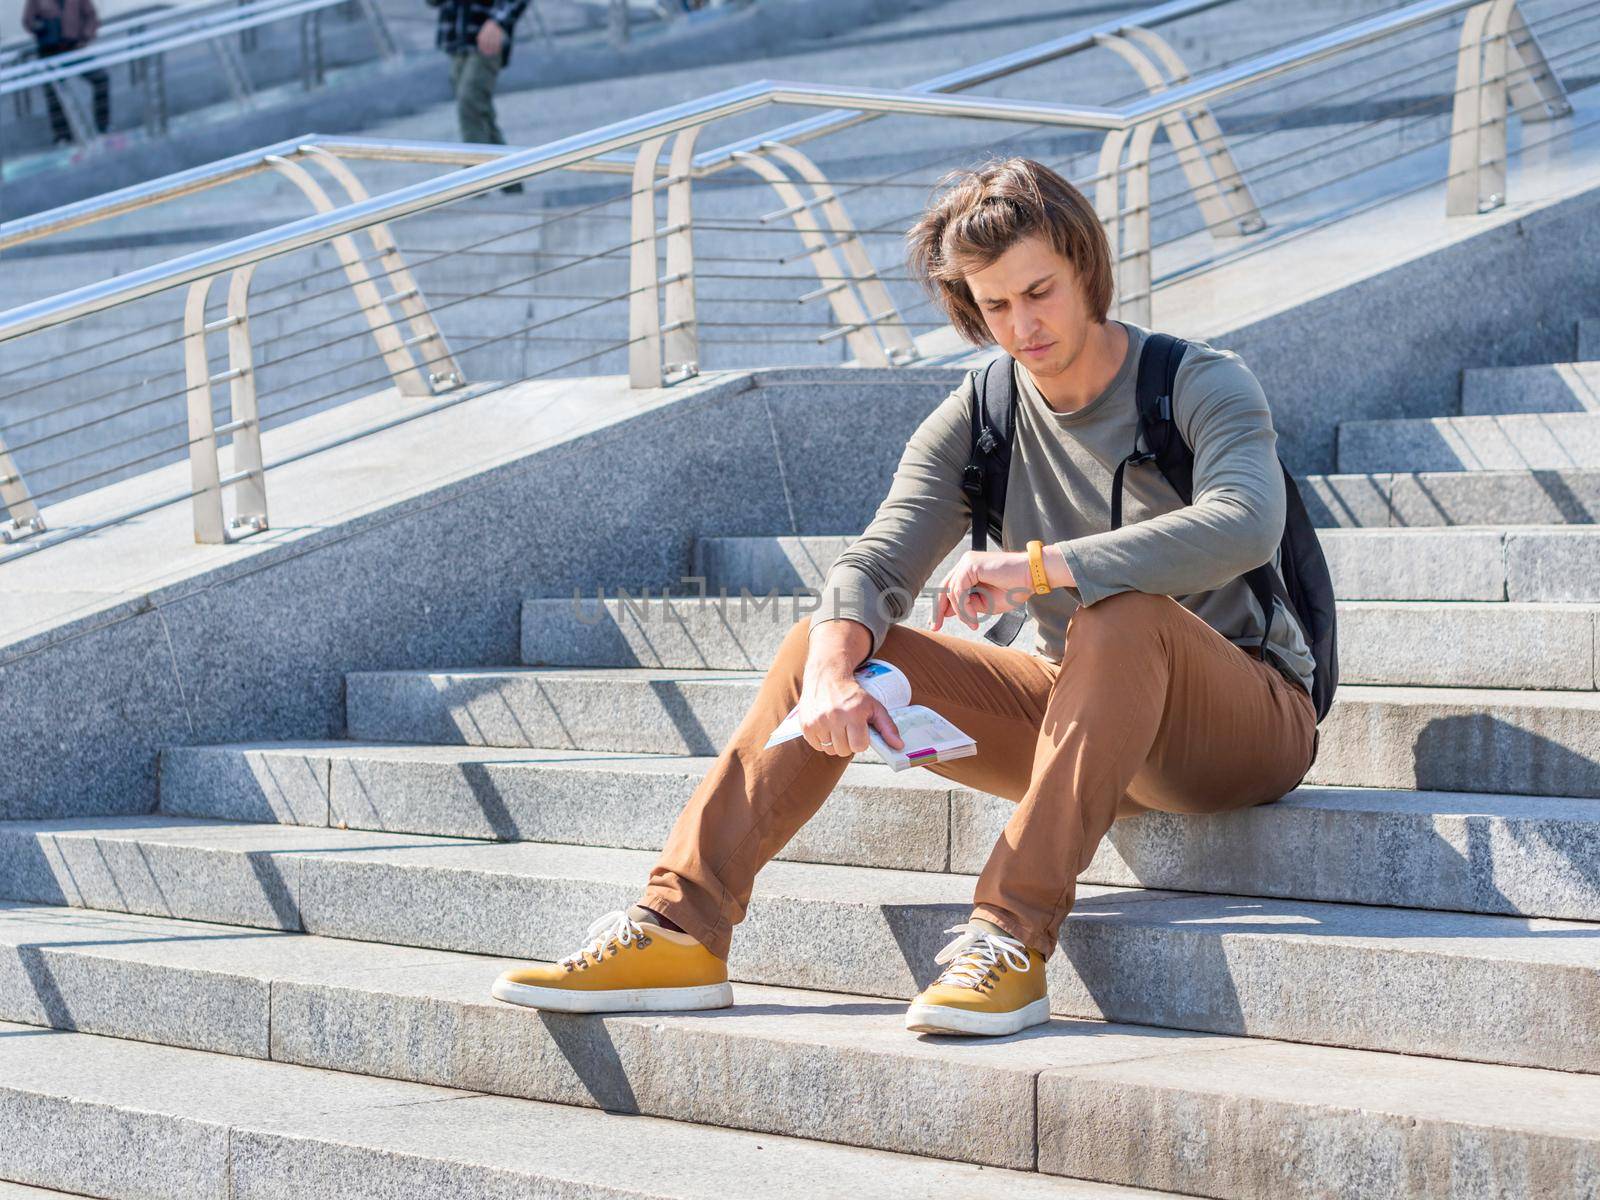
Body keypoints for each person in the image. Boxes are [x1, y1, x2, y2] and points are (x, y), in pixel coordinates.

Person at [489, 156, 1319, 1037]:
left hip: (1243, 720)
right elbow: (880, 556)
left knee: (1121, 615)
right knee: (826, 638)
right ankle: (680, 928)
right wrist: (836, 671)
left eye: (1039, 292)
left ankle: (1007, 940)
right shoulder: (985, 411)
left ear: (1086, 268)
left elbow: (1245, 524)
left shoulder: (1196, 383)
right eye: (995, 306)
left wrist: (1041, 568)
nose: (1023, 325)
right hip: (1085, 717)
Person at [425, 0, 528, 193]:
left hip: (486, 40)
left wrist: (498, 22)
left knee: (469, 101)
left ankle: (475, 179)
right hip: (457, 41)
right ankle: (512, 182)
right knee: (480, 113)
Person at [22, 0, 110, 145]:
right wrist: (41, 27)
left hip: (73, 48)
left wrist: (85, 36)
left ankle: (103, 126)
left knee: (101, 78)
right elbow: (28, 21)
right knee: (54, 94)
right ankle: (62, 136)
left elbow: (91, 16)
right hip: (49, 51)